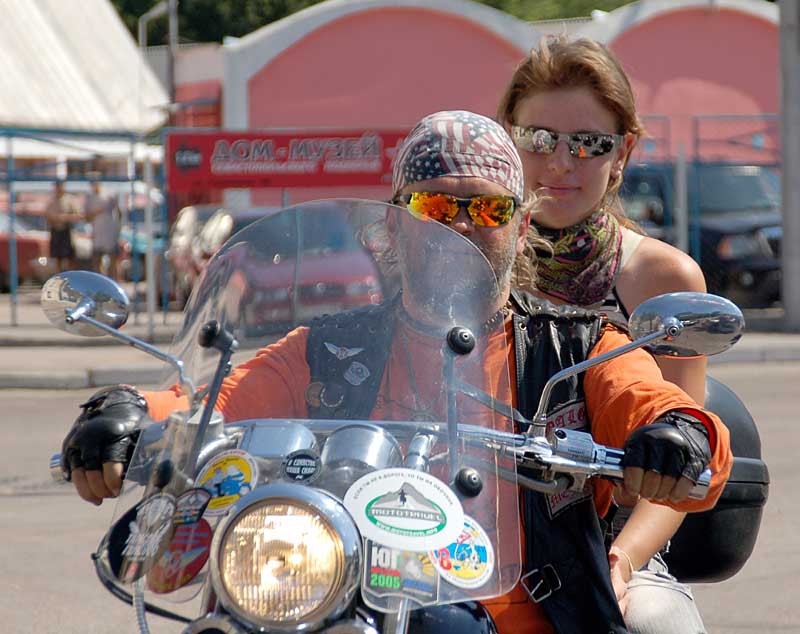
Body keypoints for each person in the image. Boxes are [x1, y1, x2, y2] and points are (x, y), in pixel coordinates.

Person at [60, 111, 732, 634]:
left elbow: (659, 407)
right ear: (394, 222)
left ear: (522, 224)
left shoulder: (577, 349)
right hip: (339, 598)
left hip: (528, 617)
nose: (461, 227)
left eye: (488, 209)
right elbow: (208, 402)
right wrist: (124, 413)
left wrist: (677, 437)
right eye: (434, 208)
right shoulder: (328, 349)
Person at [497, 37, 710, 632]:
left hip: (607, 540)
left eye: (589, 144)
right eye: (539, 139)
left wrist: (620, 563)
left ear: (623, 152)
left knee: (653, 626)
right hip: (470, 531)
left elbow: (683, 461)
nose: (560, 163)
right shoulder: (465, 259)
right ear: (506, 137)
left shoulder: (662, 279)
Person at [85, 176, 121, 280]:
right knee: (97, 259)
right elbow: (87, 216)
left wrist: (118, 228)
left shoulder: (109, 195)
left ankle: (114, 281)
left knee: (112, 258)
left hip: (110, 232)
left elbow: (118, 211)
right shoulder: (90, 198)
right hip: (97, 232)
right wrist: (96, 212)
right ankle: (99, 281)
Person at [45, 180, 82, 272]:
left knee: (70, 258)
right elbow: (48, 217)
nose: (58, 188)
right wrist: (55, 218)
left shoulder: (70, 200)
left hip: (67, 231)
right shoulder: (52, 201)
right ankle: (60, 276)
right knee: (57, 258)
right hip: (56, 231)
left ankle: (71, 276)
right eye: (57, 186)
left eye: (60, 186)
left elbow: (78, 215)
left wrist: (64, 217)